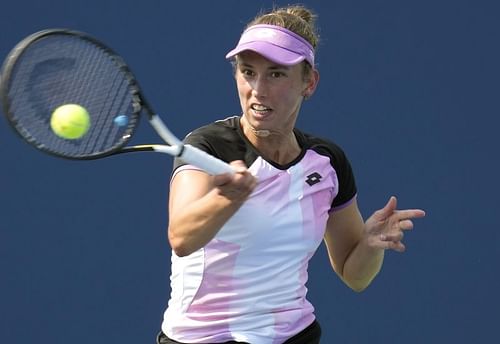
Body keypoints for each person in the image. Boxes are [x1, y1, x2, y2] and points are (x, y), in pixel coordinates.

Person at [156, 5, 425, 344]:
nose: (258, 89)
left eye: (276, 74)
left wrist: (371, 245)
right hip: (201, 339)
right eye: (247, 71)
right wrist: (226, 198)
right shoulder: (208, 147)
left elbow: (354, 276)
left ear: (309, 82)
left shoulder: (327, 162)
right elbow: (181, 238)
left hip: (293, 336)